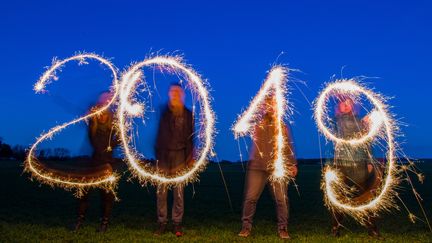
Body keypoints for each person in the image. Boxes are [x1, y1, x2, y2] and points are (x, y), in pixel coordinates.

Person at [238, 96, 298, 239]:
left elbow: (288, 146)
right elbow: (242, 126)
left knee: (281, 199)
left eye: (274, 104)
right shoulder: (257, 122)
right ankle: (246, 227)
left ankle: (283, 228)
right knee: (250, 198)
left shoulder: (282, 126)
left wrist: (292, 163)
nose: (271, 107)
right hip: (257, 167)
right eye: (268, 105)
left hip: (277, 168)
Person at [330, 97, 381, 238]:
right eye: (343, 103)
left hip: (359, 163)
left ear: (353, 106)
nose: (346, 106)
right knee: (339, 197)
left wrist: (370, 161)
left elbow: (367, 142)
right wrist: (365, 122)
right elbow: (344, 125)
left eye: (349, 103)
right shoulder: (336, 121)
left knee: (366, 196)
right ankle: (336, 227)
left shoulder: (360, 120)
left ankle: (372, 228)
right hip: (341, 164)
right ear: (338, 106)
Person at [73, 91, 118, 233]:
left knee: (107, 196)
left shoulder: (114, 129)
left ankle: (104, 223)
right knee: (84, 194)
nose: (102, 116)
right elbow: (97, 145)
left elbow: (118, 141)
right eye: (100, 113)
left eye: (105, 113)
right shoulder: (93, 128)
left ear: (109, 115)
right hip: (93, 164)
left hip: (108, 165)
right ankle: (79, 221)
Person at [153, 83, 195, 237]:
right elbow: (160, 134)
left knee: (178, 192)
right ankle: (162, 223)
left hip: (180, 155)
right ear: (169, 94)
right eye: (172, 91)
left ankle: (177, 223)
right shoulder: (164, 112)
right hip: (163, 156)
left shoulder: (188, 114)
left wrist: (190, 156)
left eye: (178, 92)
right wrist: (157, 152)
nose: (175, 94)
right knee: (161, 191)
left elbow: (191, 137)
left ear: (182, 95)